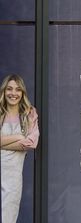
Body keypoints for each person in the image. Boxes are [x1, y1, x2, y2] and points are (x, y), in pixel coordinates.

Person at [0, 74, 39, 223]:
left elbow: (31, 143)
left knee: (8, 217)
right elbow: (24, 141)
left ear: (23, 92)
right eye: (9, 89)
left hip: (13, 176)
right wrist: (18, 137)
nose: (13, 93)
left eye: (18, 89)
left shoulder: (29, 114)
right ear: (4, 91)